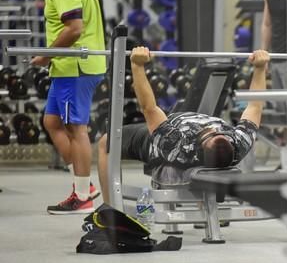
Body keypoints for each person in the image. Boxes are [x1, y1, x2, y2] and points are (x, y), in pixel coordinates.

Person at [97, 47, 270, 204]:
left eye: (209, 134)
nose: (213, 129)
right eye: (220, 133)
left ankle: (109, 209)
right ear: (231, 141)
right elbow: (255, 105)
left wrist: (136, 65)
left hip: (152, 140)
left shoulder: (177, 144)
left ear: (199, 146)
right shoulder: (239, 143)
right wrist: (260, 68)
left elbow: (149, 108)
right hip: (180, 116)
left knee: (106, 142)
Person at [27, 0, 106, 214]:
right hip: (69, 68)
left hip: (76, 67)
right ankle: (84, 182)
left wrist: (47, 54)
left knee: (76, 129)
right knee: (51, 121)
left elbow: (74, 28)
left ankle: (82, 195)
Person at [261, 0, 287, 114]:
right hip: (276, 58)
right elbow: (267, 24)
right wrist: (264, 55)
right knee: (281, 110)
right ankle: (286, 141)